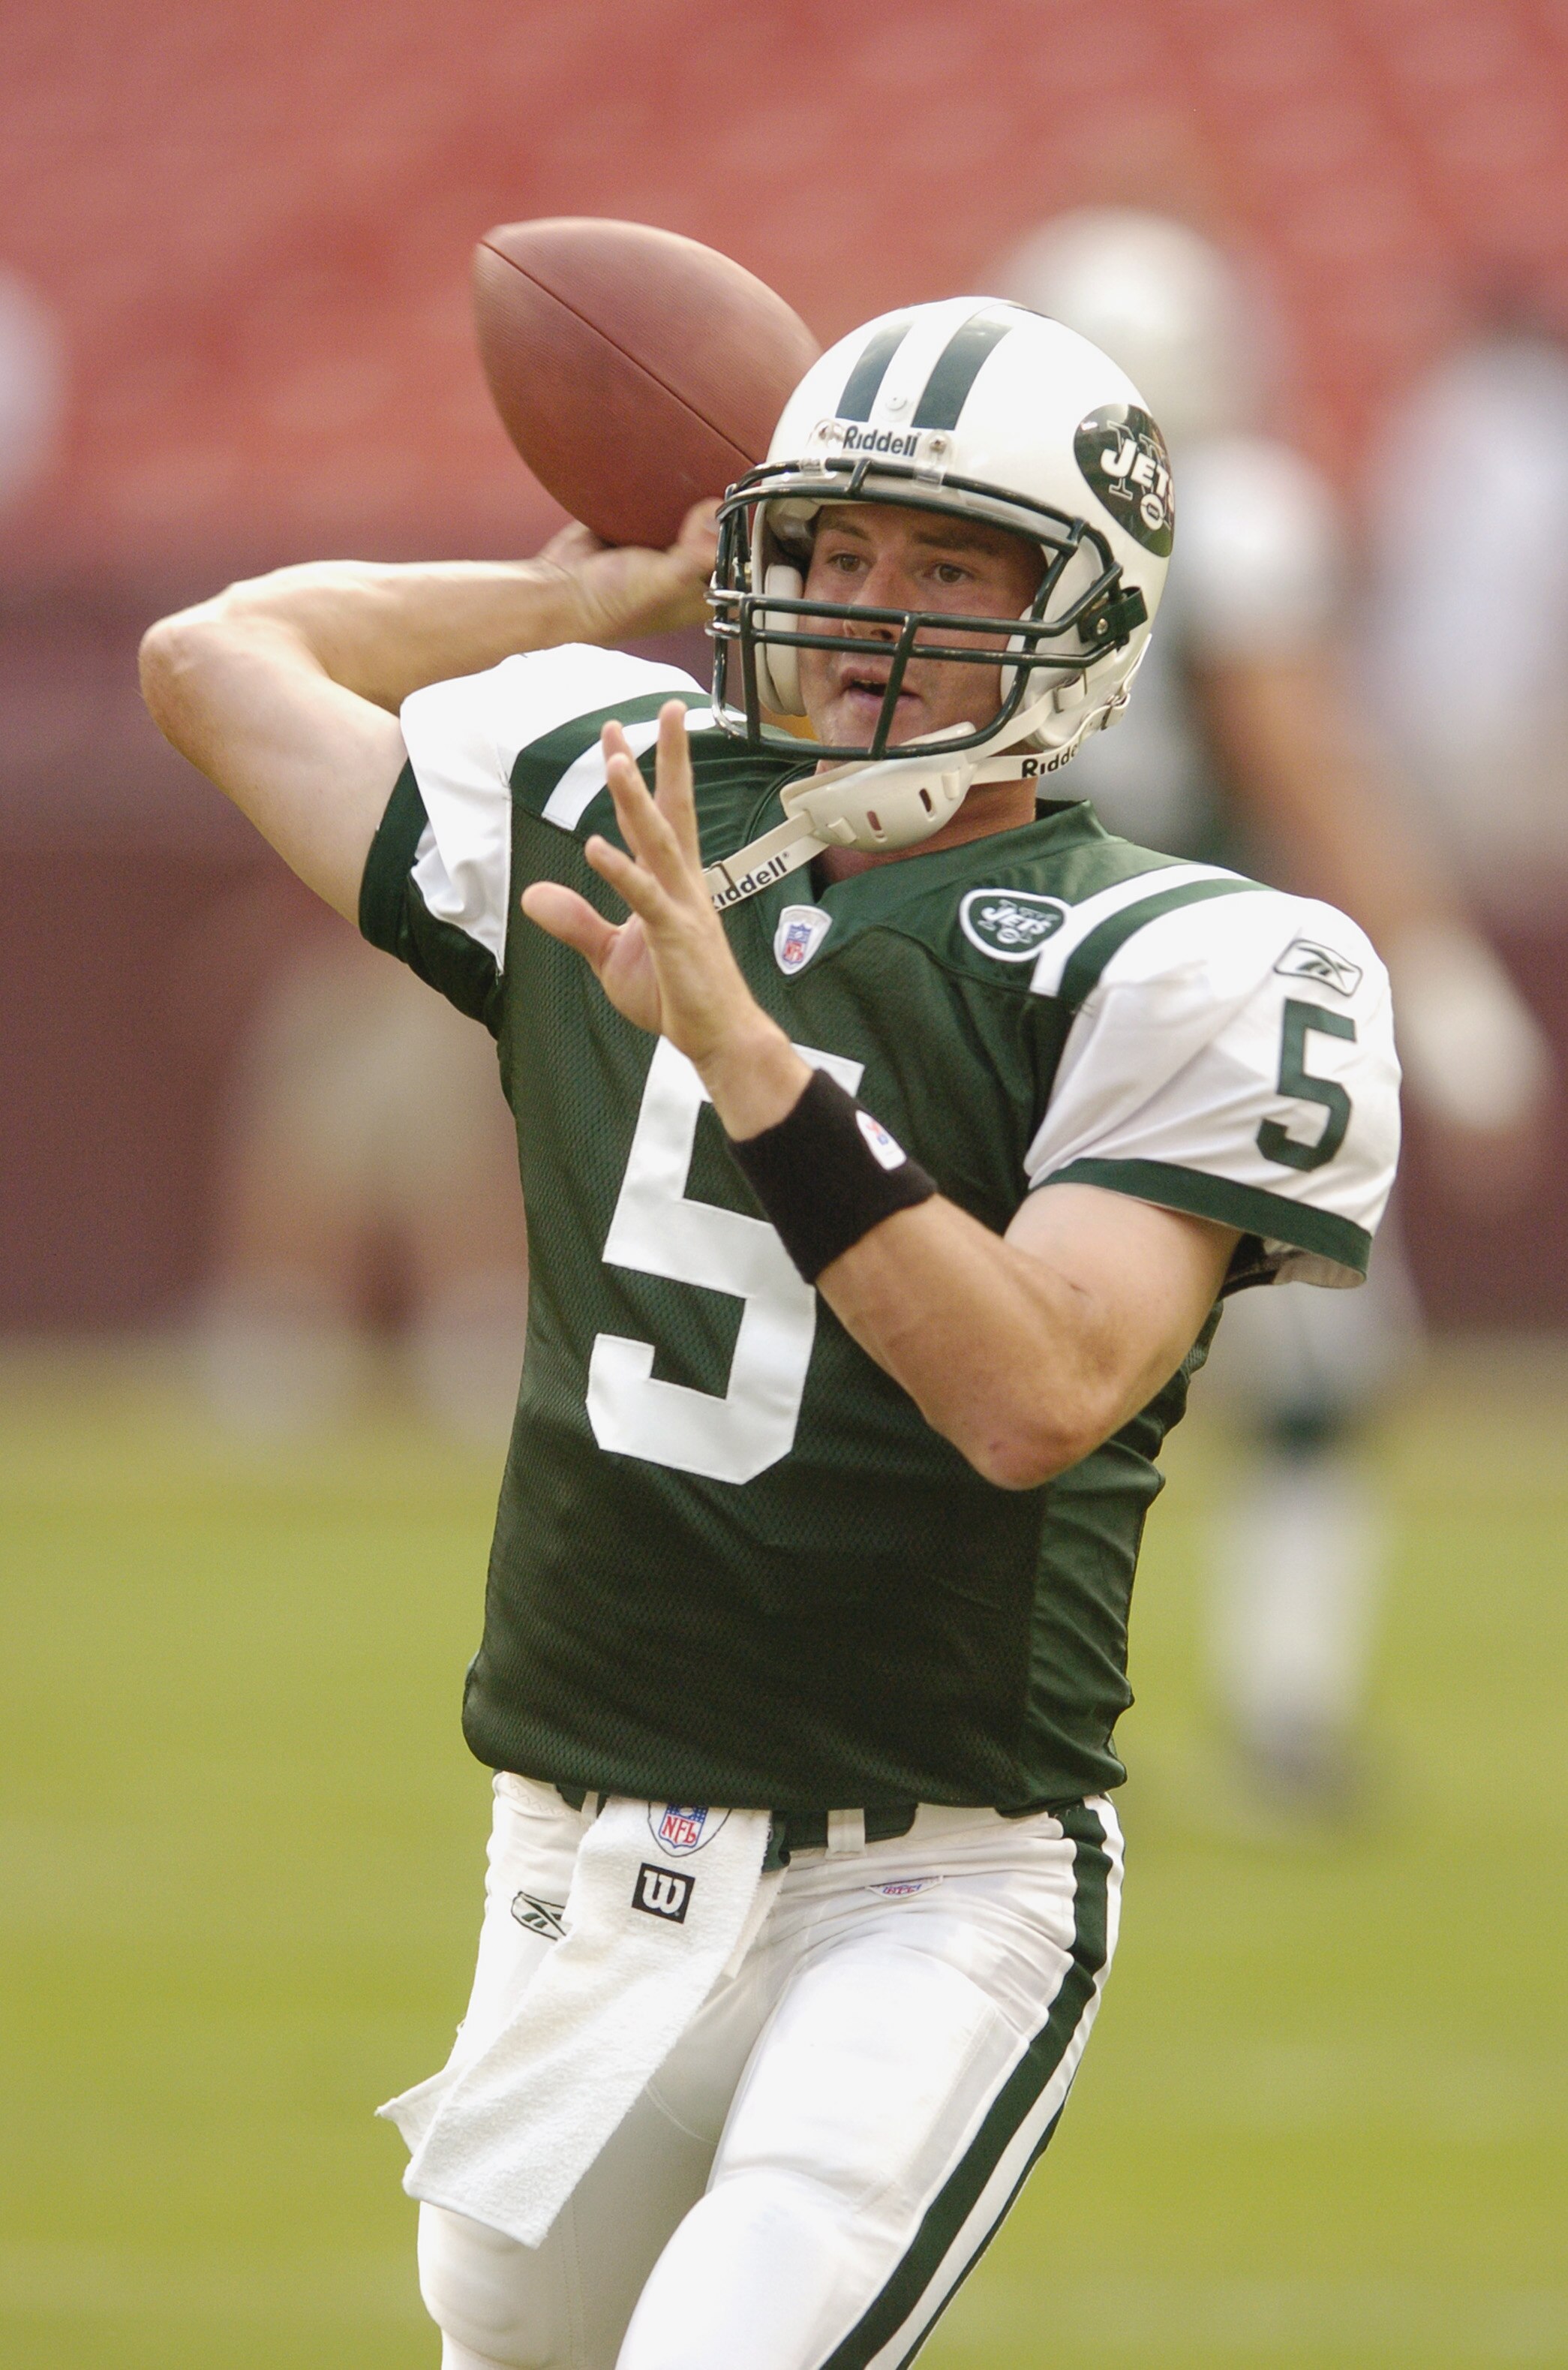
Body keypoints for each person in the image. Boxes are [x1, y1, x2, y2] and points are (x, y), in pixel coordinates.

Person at [140, 298, 1398, 2370]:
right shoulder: (618, 782)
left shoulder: (1177, 950)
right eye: (829, 551)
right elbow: (218, 661)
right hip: (580, 1831)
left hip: (923, 1873)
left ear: (1078, 616)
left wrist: (755, 1063)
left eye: (947, 567)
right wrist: (595, 588)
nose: (866, 615)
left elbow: (1037, 1394)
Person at [996, 211, 1554, 1806]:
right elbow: (1301, 755)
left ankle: (985, 1710)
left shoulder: (986, 517)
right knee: (1310, 1365)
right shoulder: (1229, 513)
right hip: (1177, 983)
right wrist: (1437, 979)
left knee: (995, 1352)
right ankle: (1283, 1718)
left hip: (993, 964)